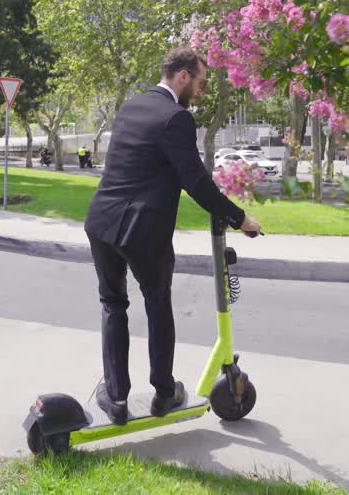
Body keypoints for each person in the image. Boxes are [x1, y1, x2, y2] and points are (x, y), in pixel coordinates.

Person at [83, 47, 262, 424]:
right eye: (198, 82)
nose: (199, 90)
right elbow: (196, 182)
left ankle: (115, 399)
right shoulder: (176, 119)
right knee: (157, 304)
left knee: (113, 305)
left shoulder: (131, 106)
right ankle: (164, 393)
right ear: (182, 76)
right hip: (143, 232)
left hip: (102, 223)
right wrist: (239, 217)